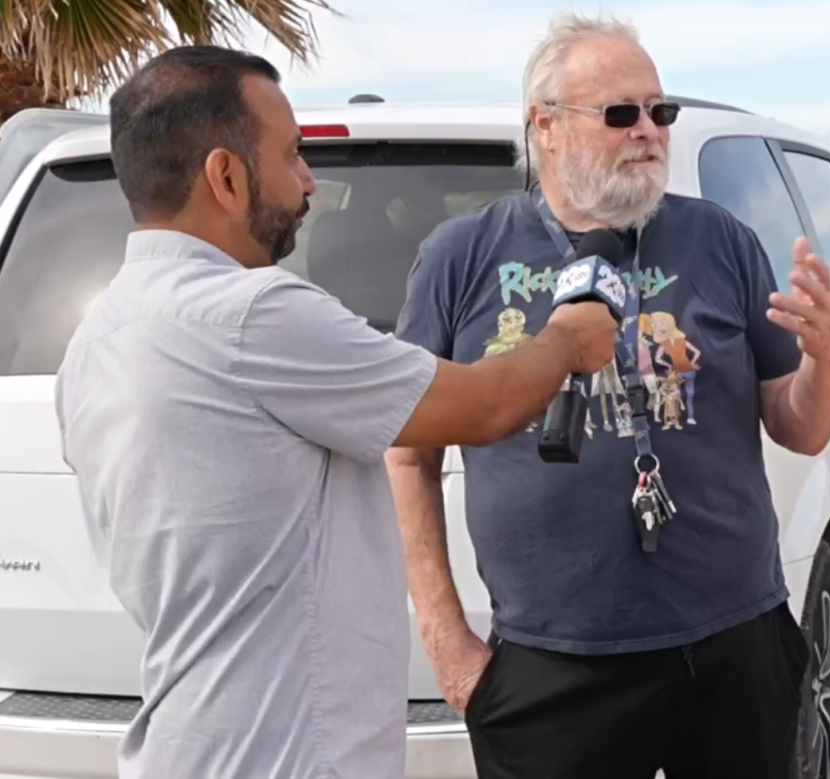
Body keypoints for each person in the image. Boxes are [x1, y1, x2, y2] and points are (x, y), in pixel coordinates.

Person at [53, 45, 617, 779]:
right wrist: (569, 337)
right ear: (225, 176)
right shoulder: (254, 315)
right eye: (291, 155)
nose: (309, 181)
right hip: (293, 757)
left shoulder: (92, 341)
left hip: (184, 746)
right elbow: (486, 405)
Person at [387, 12, 830, 779]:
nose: (649, 131)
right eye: (620, 114)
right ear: (547, 126)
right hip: (554, 662)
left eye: (659, 112)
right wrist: (446, 639)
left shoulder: (720, 238)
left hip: (734, 641)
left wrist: (823, 358)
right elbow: (408, 452)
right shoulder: (463, 255)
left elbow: (799, 426)